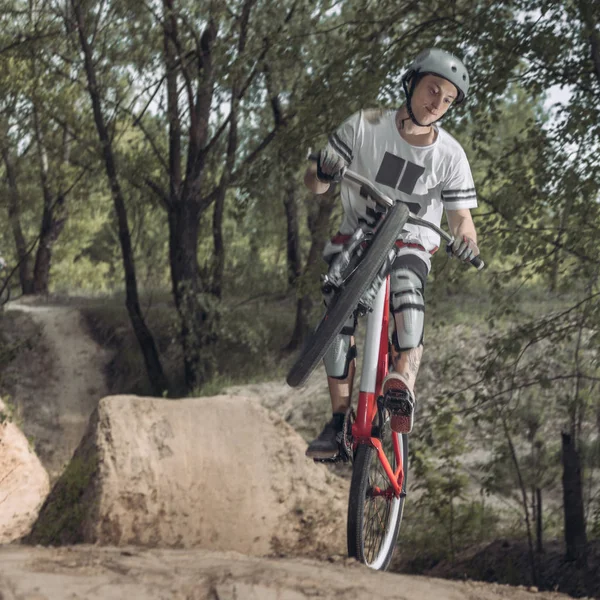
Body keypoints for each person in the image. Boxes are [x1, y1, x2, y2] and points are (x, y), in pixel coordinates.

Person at [303, 48, 480, 459]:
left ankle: (402, 386)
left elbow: (462, 220)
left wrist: (466, 240)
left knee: (406, 289)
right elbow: (315, 183)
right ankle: (338, 421)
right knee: (336, 311)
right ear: (411, 83)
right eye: (432, 89)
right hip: (360, 236)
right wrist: (323, 170)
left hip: (413, 241)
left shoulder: (450, 155)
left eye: (448, 99)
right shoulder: (365, 125)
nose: (437, 103)